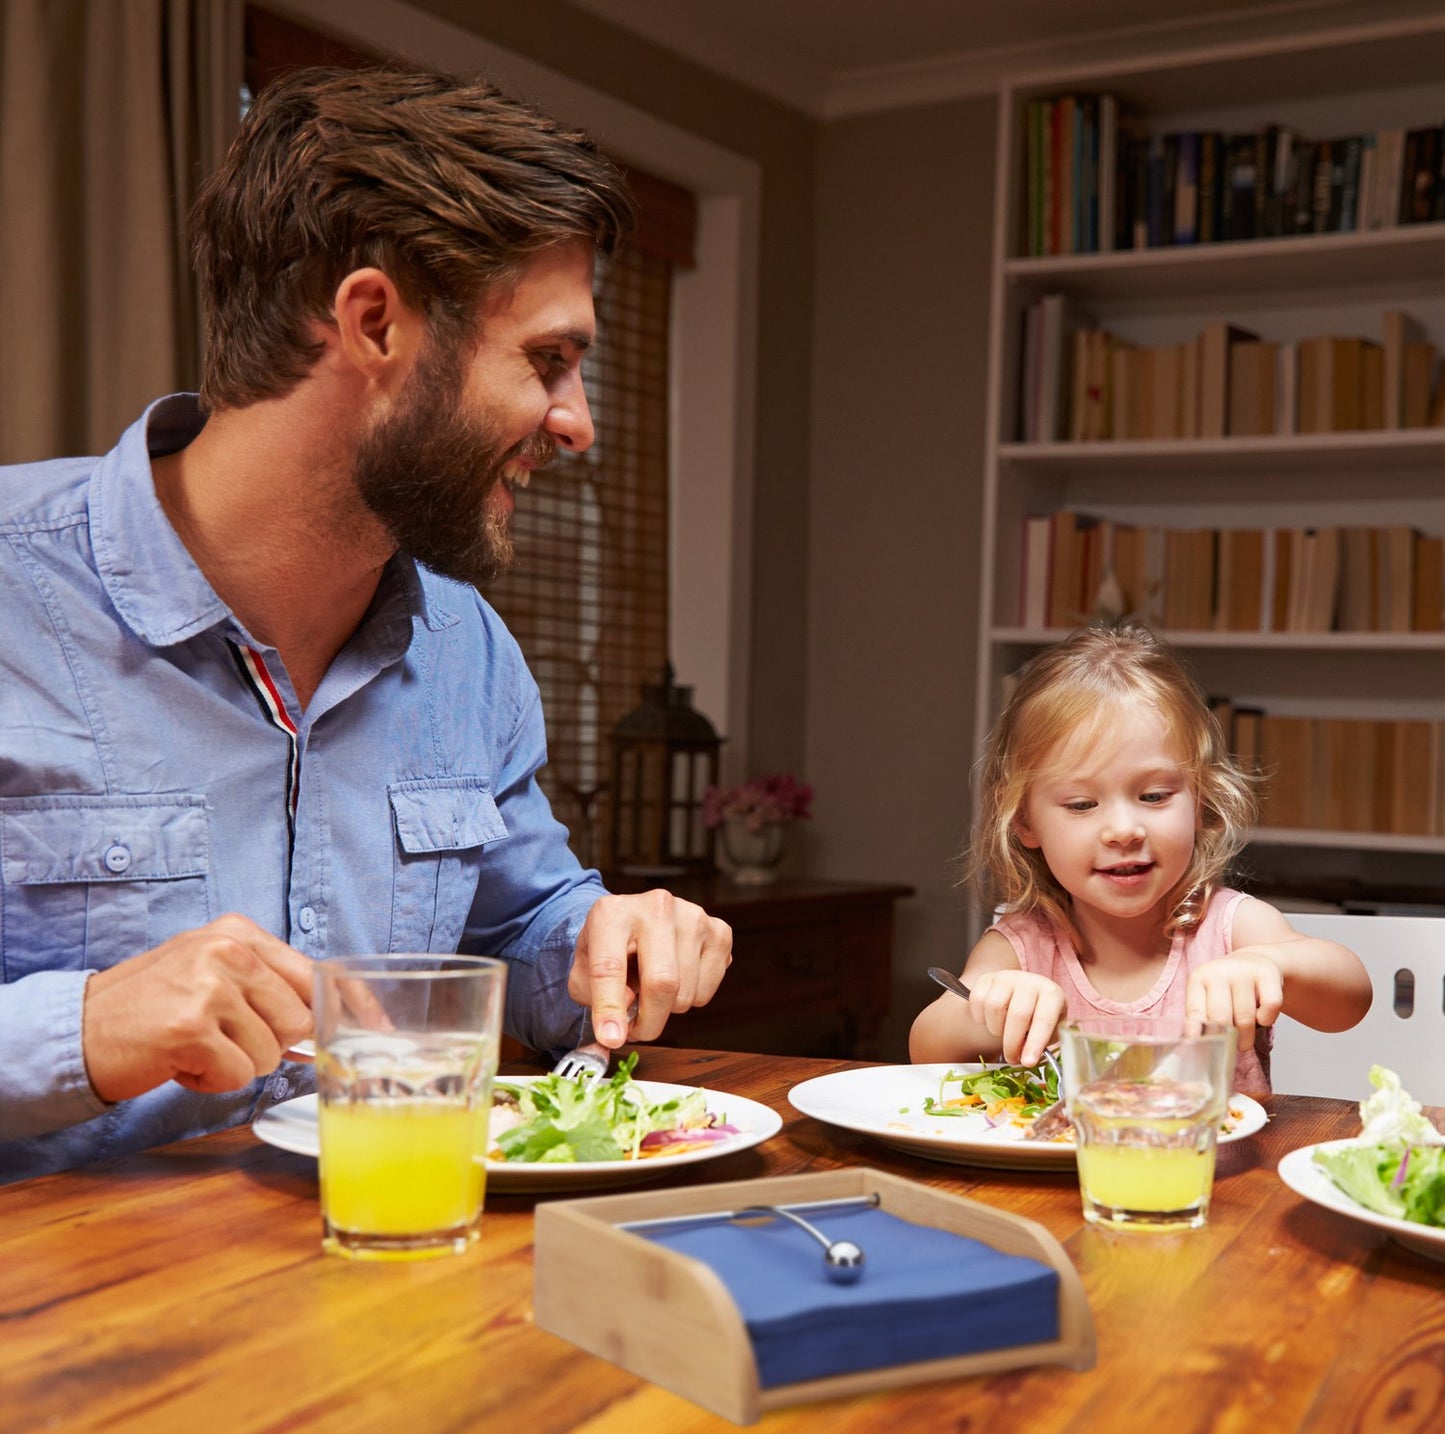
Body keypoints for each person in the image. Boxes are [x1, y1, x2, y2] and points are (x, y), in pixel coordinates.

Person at [0, 66, 732, 1182]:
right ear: (374, 320)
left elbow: (519, 924)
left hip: (396, 1285)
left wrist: (603, 944)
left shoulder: (466, 646)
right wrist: (83, 1029)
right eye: (546, 360)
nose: (577, 423)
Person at [910, 623, 1370, 1091]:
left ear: (1201, 800)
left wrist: (1272, 966)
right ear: (1026, 821)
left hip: (1221, 1165)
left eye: (1153, 796)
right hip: (1064, 1167)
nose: (1124, 831)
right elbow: (927, 1048)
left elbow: (1351, 998)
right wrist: (989, 1007)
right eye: (1081, 805)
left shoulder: (1229, 929)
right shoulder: (1020, 947)